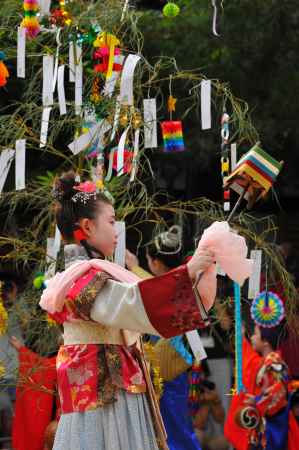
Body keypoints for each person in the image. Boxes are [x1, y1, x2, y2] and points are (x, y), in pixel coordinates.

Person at [39, 171, 215, 450]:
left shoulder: (83, 275)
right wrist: (186, 274)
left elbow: (132, 299)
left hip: (109, 388)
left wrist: (190, 277)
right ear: (87, 226)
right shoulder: (81, 279)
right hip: (105, 392)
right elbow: (133, 302)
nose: (117, 230)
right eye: (111, 221)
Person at [127, 225, 203, 450]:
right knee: (170, 425)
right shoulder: (182, 282)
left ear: (156, 263)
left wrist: (134, 268)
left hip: (168, 362)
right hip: (170, 362)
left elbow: (155, 292)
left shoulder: (175, 285)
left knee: (173, 426)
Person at [224, 321, 299, 450]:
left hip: (274, 427)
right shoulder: (266, 361)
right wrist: (241, 337)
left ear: (265, 342)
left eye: (255, 334)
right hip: (264, 425)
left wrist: (257, 401)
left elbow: (280, 390)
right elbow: (249, 360)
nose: (252, 337)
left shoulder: (275, 362)